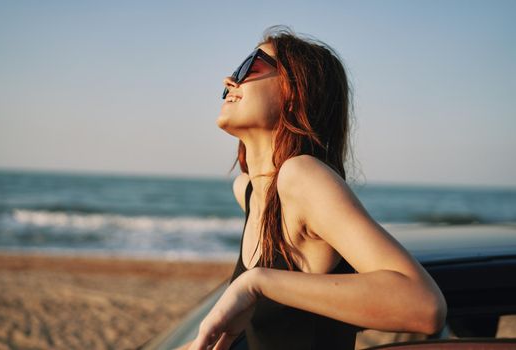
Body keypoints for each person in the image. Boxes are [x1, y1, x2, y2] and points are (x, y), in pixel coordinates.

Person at [181, 25, 447, 350]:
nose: (230, 79)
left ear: (296, 91)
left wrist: (257, 284)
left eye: (252, 65)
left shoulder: (301, 177)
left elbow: (425, 305)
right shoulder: (249, 192)